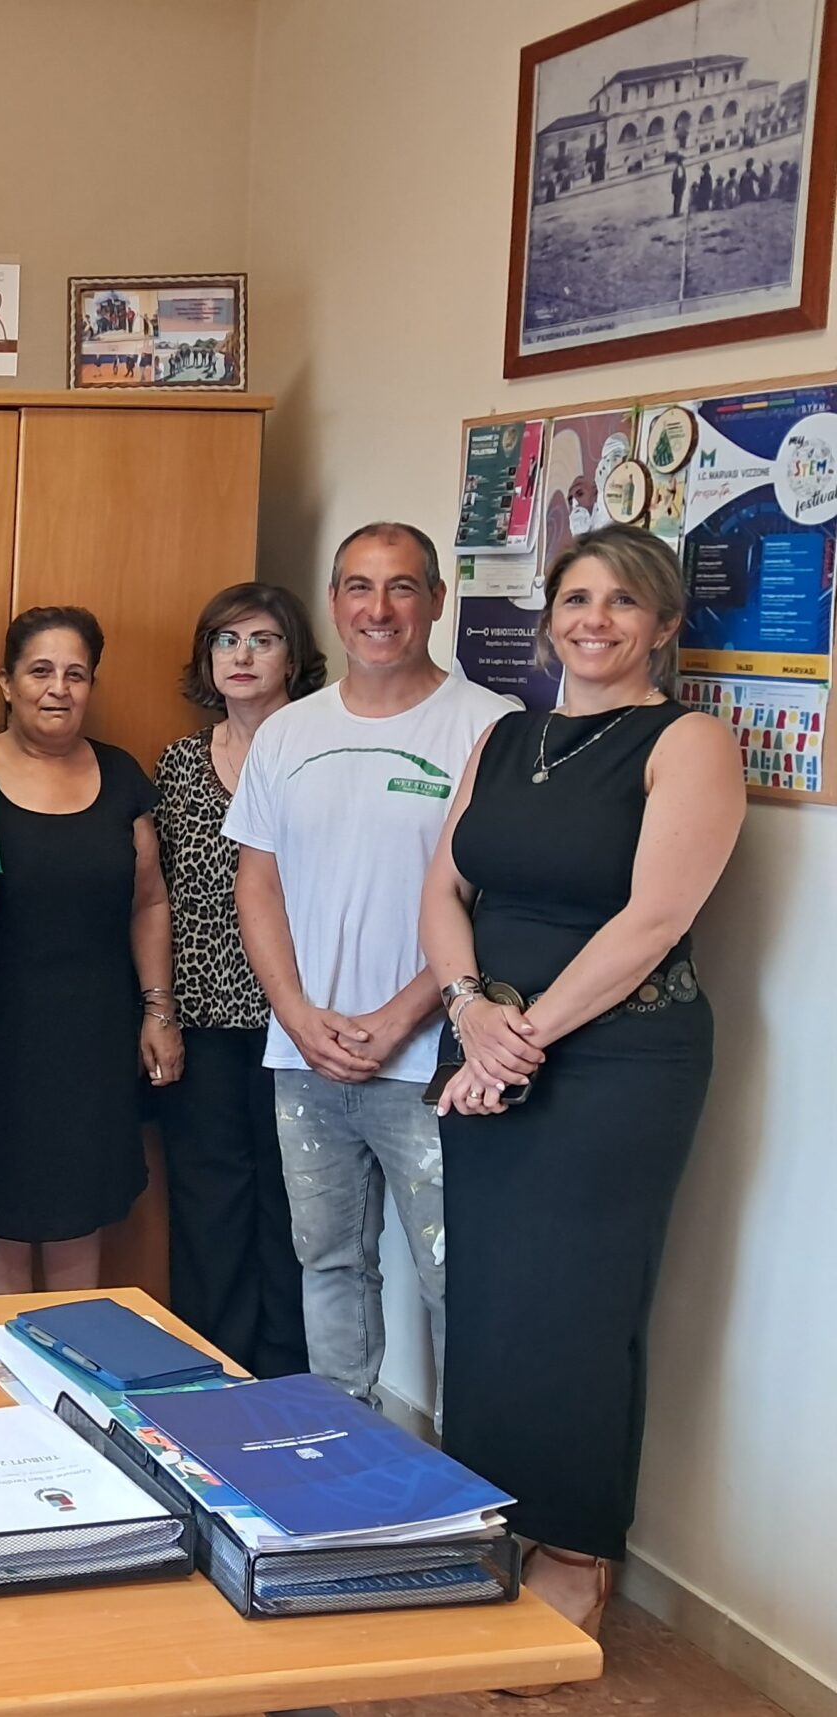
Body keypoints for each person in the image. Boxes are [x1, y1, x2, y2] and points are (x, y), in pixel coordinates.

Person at [420, 526, 742, 1651]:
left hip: (617, 1063)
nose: (593, 620)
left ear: (662, 624)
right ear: (549, 615)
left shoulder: (686, 741)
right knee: (491, 1300)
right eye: (575, 598)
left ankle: (574, 1550)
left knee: (579, 1308)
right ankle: (497, 1518)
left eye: (621, 602)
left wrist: (516, 1042)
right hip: (489, 1041)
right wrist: (467, 1008)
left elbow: (654, 919)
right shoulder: (506, 737)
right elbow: (444, 886)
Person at [223, 522, 515, 1408]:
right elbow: (257, 883)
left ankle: (466, 1470)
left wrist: (400, 1016)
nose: (377, 609)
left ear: (436, 599)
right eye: (358, 586)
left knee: (455, 1276)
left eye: (400, 587)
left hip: (435, 1065)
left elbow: (489, 900)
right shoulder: (288, 732)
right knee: (328, 1263)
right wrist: (295, 1012)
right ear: (333, 602)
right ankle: (341, 1449)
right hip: (306, 1057)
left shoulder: (491, 725)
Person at [0, 608, 178, 1292]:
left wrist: (158, 1011)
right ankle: (7, 1353)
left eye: (76, 674)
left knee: (81, 1206)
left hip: (95, 1034)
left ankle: (76, 1353)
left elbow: (150, 901)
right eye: (40, 670)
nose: (58, 688)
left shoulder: (121, 775)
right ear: (5, 682)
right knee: (1, 1210)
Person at [152, 583, 325, 1378]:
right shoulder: (179, 763)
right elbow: (158, 897)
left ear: (295, 655)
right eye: (226, 640)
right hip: (204, 1021)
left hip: (303, 1020)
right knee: (207, 1207)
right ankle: (211, 1373)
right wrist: (158, 1010)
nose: (243, 656)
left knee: (293, 1205)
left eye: (263, 639)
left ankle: (287, 1377)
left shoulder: (321, 755)